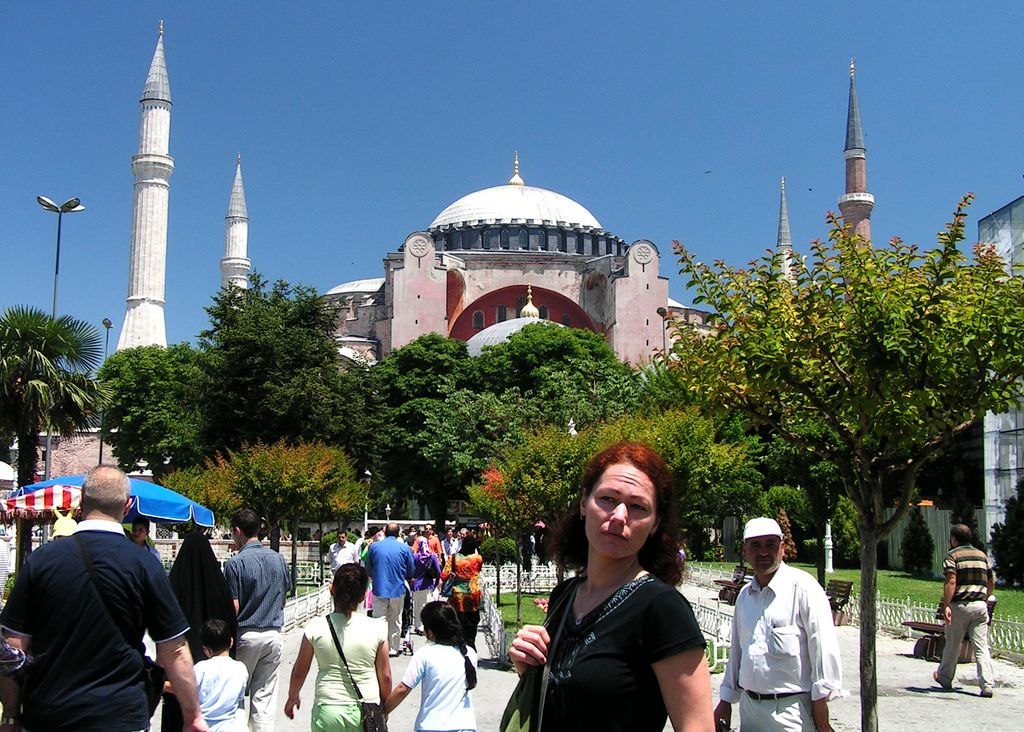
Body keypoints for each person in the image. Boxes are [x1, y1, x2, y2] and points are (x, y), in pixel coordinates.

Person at [509, 442, 713, 732]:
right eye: (607, 498)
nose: (619, 516)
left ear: (655, 524)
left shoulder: (661, 607)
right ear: (583, 503)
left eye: (638, 507)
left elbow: (698, 727)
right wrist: (529, 667)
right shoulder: (565, 595)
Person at [0, 464, 208, 732]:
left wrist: (11, 716)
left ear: (81, 501)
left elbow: (13, 646)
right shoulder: (145, 564)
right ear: (128, 505)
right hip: (119, 714)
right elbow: (174, 649)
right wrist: (193, 716)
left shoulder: (42, 560)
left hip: (49, 713)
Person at [714, 517, 842, 732]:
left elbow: (822, 649)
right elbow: (738, 651)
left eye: (770, 544)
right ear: (745, 551)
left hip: (791, 712)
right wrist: (726, 700)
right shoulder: (745, 596)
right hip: (750, 710)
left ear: (782, 548)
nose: (763, 552)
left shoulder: (803, 588)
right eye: (755, 545)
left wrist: (820, 705)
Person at [285, 564, 393, 731]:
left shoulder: (316, 627)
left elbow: (300, 668)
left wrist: (293, 696)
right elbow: (385, 675)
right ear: (364, 596)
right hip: (366, 709)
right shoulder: (377, 628)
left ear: (331, 589)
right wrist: (384, 706)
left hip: (328, 706)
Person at [163, 531, 240, 731]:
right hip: (214, 654)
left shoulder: (173, 584)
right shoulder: (218, 584)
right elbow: (230, 619)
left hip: (180, 660)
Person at [224, 508, 291, 732]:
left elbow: (234, 605)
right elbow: (284, 596)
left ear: (237, 531)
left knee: (237, 692)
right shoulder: (278, 559)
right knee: (265, 697)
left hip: (246, 633)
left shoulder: (235, 564)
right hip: (273, 632)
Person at [383, 601, 477, 731]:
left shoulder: (425, 654)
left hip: (432, 725)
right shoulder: (469, 653)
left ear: (430, 632)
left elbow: (402, 689)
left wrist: (383, 712)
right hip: (465, 725)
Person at [933, 523, 996, 697]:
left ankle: (945, 678)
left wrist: (946, 604)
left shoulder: (952, 556)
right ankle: (987, 684)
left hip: (960, 605)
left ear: (954, 539)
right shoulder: (982, 555)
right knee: (981, 646)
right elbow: (991, 581)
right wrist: (984, 597)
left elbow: (951, 581)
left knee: (953, 643)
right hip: (980, 607)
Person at [184, 618, 249, 731]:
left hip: (204, 726)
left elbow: (187, 690)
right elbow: (240, 698)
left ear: (206, 649)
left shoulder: (199, 669)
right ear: (231, 642)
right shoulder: (241, 668)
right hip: (231, 726)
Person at [364, 522, 415, 656]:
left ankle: (380, 648)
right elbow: (411, 570)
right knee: (396, 619)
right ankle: (393, 648)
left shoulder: (374, 547)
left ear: (385, 532)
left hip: (379, 588)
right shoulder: (404, 548)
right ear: (398, 533)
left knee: (379, 619)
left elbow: (368, 567)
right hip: (397, 589)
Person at [441, 534, 484, 651]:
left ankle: (459, 645)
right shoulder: (478, 558)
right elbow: (478, 570)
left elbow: (444, 575)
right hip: (473, 595)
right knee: (472, 621)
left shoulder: (454, 558)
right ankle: (471, 645)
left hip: (457, 596)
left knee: (457, 621)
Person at [411, 537, 442, 635]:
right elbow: (438, 572)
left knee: (417, 606)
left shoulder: (415, 557)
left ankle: (417, 626)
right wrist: (436, 584)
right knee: (426, 606)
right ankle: (424, 626)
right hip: (427, 584)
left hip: (416, 585)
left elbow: (411, 570)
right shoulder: (432, 556)